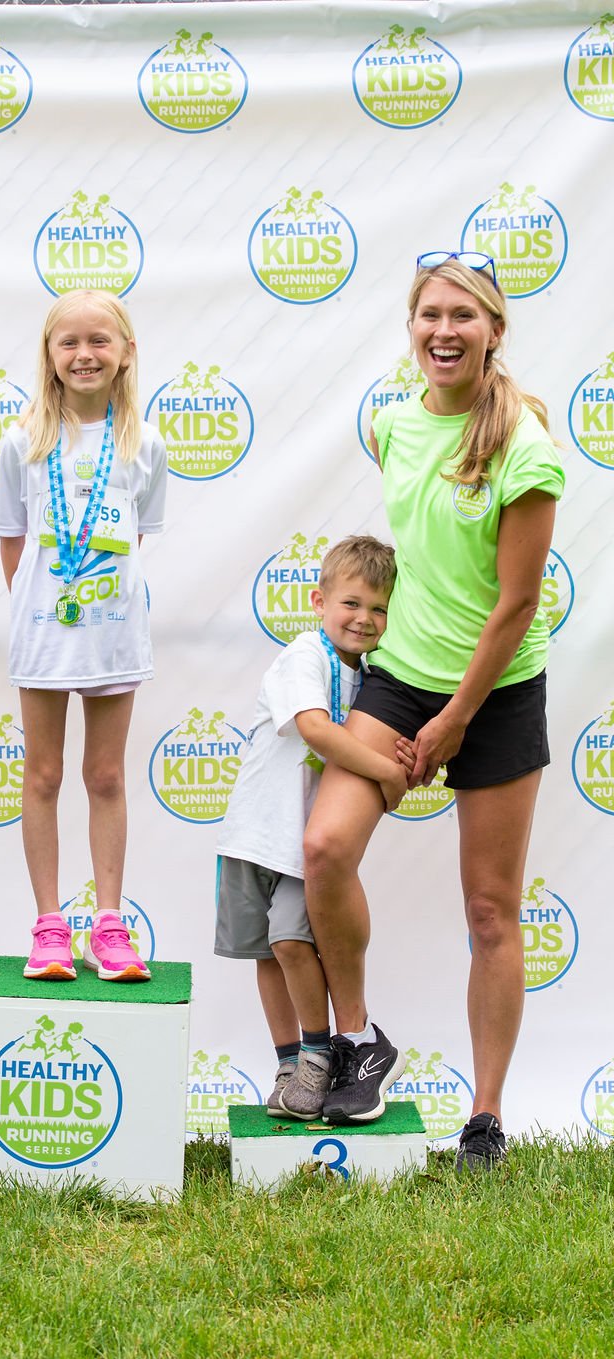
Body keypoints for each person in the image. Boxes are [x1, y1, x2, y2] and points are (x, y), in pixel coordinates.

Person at [303, 252, 564, 1168]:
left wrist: (454, 719)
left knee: (491, 911)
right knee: (324, 847)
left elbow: (517, 605)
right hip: (402, 679)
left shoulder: (525, 447)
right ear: (412, 327)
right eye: (430, 315)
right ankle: (358, 1039)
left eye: (463, 316)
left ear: (494, 330)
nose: (444, 332)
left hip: (496, 692)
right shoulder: (394, 426)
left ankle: (485, 1119)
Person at [0, 290, 167, 981]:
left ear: (126, 353)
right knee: (42, 775)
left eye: (99, 341)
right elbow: (12, 542)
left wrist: (95, 603)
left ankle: (110, 924)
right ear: (49, 354)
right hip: (43, 635)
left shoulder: (143, 444)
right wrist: (43, 606)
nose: (84, 354)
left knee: (106, 776)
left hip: (114, 634)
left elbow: (137, 539)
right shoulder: (24, 441)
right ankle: (49, 926)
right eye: (69, 342)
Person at [215, 537, 411, 1123]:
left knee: (290, 941)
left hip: (304, 846)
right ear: (319, 601)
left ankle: (318, 1054)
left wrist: (397, 760)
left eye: (379, 608)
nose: (364, 618)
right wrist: (388, 773)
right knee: (264, 953)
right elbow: (316, 729)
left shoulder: (374, 681)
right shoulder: (305, 654)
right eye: (351, 603)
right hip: (253, 834)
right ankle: (288, 1064)